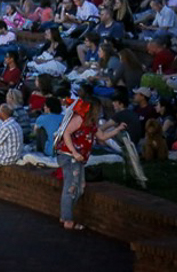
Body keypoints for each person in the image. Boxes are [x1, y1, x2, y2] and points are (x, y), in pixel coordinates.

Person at [54, 97, 127, 230]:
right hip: (70, 156)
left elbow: (102, 137)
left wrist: (117, 130)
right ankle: (67, 219)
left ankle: (66, 214)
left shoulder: (92, 124)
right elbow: (66, 133)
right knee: (71, 186)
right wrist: (74, 152)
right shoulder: (79, 119)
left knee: (80, 187)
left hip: (79, 158)